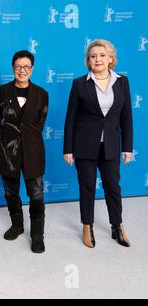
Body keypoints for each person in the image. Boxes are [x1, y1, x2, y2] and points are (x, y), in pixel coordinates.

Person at [63, 39, 133, 248]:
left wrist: (127, 147)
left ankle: (117, 226)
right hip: (84, 145)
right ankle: (87, 226)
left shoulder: (122, 82)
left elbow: (126, 117)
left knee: (113, 186)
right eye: (93, 56)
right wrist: (68, 149)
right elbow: (70, 118)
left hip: (111, 144)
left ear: (111, 58)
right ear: (88, 61)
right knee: (87, 188)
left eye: (102, 55)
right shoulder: (79, 83)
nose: (98, 59)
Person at [0, 50, 49, 253]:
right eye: (18, 67)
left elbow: (39, 124)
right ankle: (17, 225)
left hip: (33, 152)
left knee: (36, 195)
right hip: (7, 152)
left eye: (26, 67)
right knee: (11, 192)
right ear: (13, 68)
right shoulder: (1, 92)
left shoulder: (42, 94)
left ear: (32, 69)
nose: (22, 70)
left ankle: (37, 235)